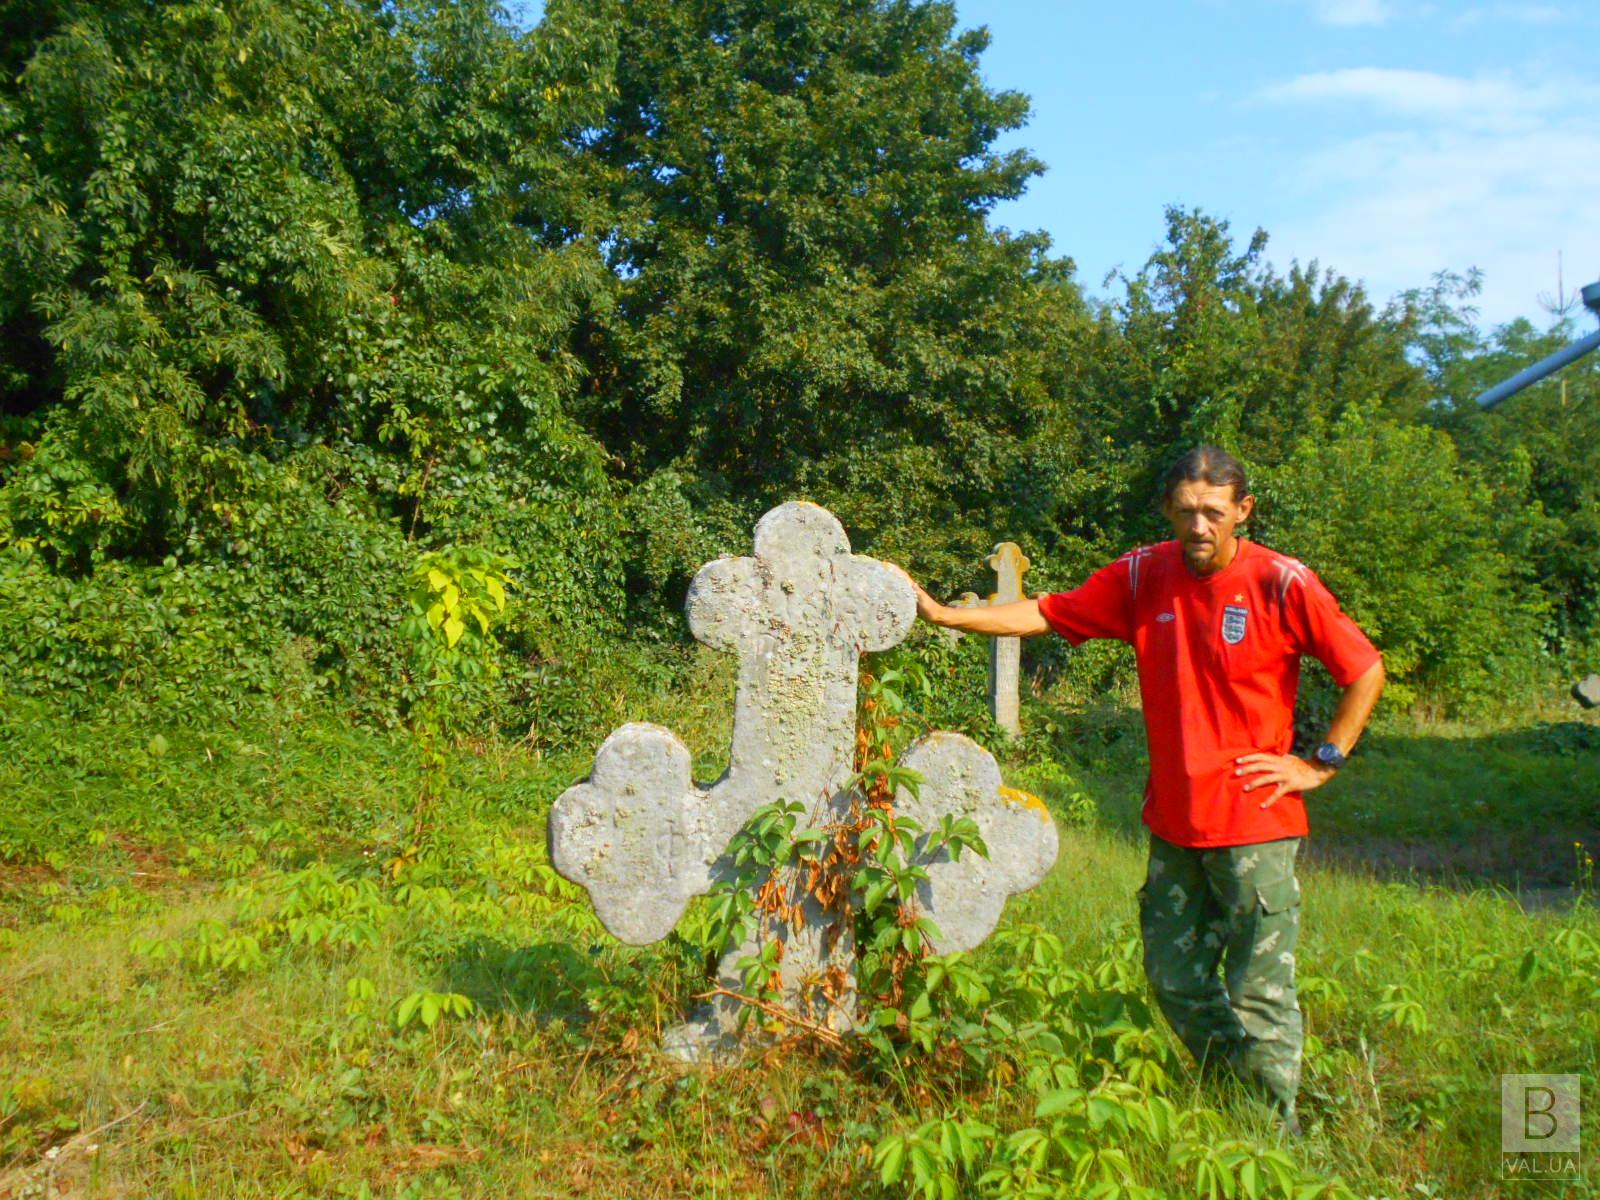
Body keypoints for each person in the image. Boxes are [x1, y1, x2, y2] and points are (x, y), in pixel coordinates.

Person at [903, 445, 1385, 1135]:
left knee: (1260, 992)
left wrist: (1320, 763)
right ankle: (1233, 1094)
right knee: (1174, 980)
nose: (1199, 526)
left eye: (1214, 513)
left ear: (1241, 512)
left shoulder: (1282, 582)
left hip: (1257, 823)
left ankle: (1272, 1134)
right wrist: (945, 616)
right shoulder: (1141, 576)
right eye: (1186, 511)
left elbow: (1364, 670)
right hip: (1174, 823)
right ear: (1168, 510)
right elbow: (1044, 612)